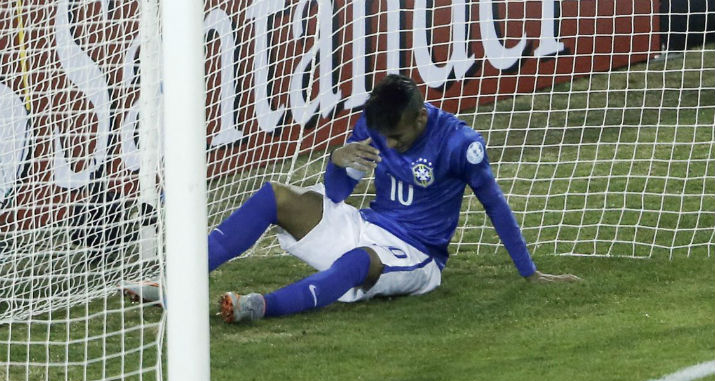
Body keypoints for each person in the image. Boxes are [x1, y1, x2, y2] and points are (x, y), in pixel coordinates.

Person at [124, 74, 581, 322]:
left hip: (417, 255)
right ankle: (178, 286)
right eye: (385, 138)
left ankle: (261, 305)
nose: (391, 145)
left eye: (398, 138)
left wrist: (529, 271)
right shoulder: (376, 127)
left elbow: (494, 204)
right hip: (367, 224)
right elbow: (339, 195)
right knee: (275, 197)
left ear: (422, 118)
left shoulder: (460, 143)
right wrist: (337, 160)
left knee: (359, 260)